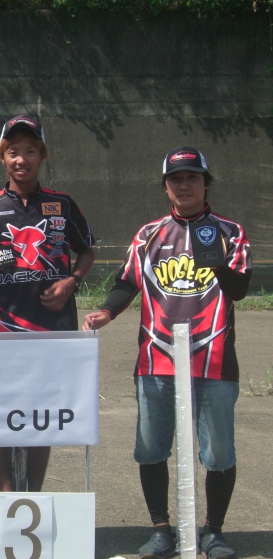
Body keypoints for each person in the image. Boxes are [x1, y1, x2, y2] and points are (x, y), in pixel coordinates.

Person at [83, 147, 252, 559]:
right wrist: (107, 311)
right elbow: (128, 283)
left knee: (218, 453)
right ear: (165, 187)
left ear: (206, 183)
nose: (184, 185)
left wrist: (218, 265)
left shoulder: (230, 231)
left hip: (212, 359)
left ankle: (213, 532)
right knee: (151, 447)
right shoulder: (149, 235)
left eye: (192, 178)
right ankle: (161, 530)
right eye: (176, 179)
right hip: (156, 358)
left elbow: (241, 289)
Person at [0, 116, 95, 492]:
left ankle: (32, 494)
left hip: (51, 332)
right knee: (0, 412)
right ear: (2, 157)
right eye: (13, 152)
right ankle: (6, 492)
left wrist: (72, 281)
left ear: (42, 156)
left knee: (42, 415)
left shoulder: (62, 205)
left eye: (30, 151)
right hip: (0, 330)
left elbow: (87, 252)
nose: (22, 159)